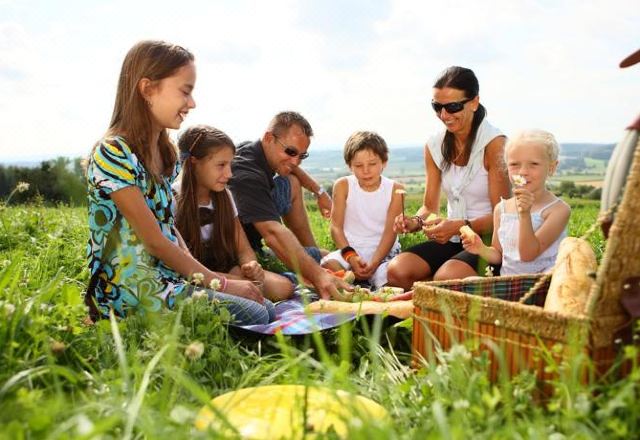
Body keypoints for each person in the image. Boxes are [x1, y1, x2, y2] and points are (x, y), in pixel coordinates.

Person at [85, 40, 272, 325]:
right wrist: (218, 283)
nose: (192, 103)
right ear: (147, 89)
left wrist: (206, 279)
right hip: (132, 288)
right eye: (185, 91)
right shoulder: (113, 153)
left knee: (265, 306)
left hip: (171, 280)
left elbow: (168, 227)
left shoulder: (164, 153)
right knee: (256, 313)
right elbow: (155, 240)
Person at [386, 66, 510, 289]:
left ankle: (443, 297)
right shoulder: (434, 145)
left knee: (446, 279)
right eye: (437, 107)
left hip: (489, 244)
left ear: (474, 102)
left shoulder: (494, 144)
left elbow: (504, 214)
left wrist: (460, 225)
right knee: (397, 270)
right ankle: (433, 301)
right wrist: (415, 221)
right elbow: (428, 206)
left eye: (452, 107)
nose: (444, 115)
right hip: (453, 239)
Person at [228, 111, 350, 299]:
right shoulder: (246, 175)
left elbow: (293, 168)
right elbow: (273, 234)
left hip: (256, 241)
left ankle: (311, 256)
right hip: (237, 255)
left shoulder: (253, 149)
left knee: (328, 257)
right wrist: (318, 276)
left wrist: (319, 191)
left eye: (302, 155)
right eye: (291, 152)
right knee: (284, 287)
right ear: (269, 138)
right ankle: (308, 270)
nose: (295, 161)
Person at [174, 124, 294, 302]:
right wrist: (233, 281)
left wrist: (250, 265)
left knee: (284, 287)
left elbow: (243, 249)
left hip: (226, 268)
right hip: (194, 275)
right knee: (247, 290)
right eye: (221, 165)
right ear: (194, 163)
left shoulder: (224, 197)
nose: (229, 173)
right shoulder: (174, 199)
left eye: (230, 164)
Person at [461, 129, 570, 274]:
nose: (523, 171)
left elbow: (528, 255)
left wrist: (524, 214)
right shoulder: (502, 209)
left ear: (551, 168)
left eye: (534, 164)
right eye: (514, 165)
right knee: (469, 282)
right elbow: (499, 255)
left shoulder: (558, 210)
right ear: (507, 167)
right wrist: (481, 249)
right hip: (511, 282)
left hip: (542, 283)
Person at [321, 131, 404, 290]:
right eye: (358, 166)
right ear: (349, 166)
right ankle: (359, 283)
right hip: (351, 251)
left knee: (393, 275)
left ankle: (362, 282)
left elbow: (390, 233)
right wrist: (351, 257)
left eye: (372, 164)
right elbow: (336, 227)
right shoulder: (343, 185)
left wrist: (374, 263)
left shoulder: (396, 189)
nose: (366, 171)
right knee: (328, 265)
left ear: (384, 162)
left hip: (383, 253)